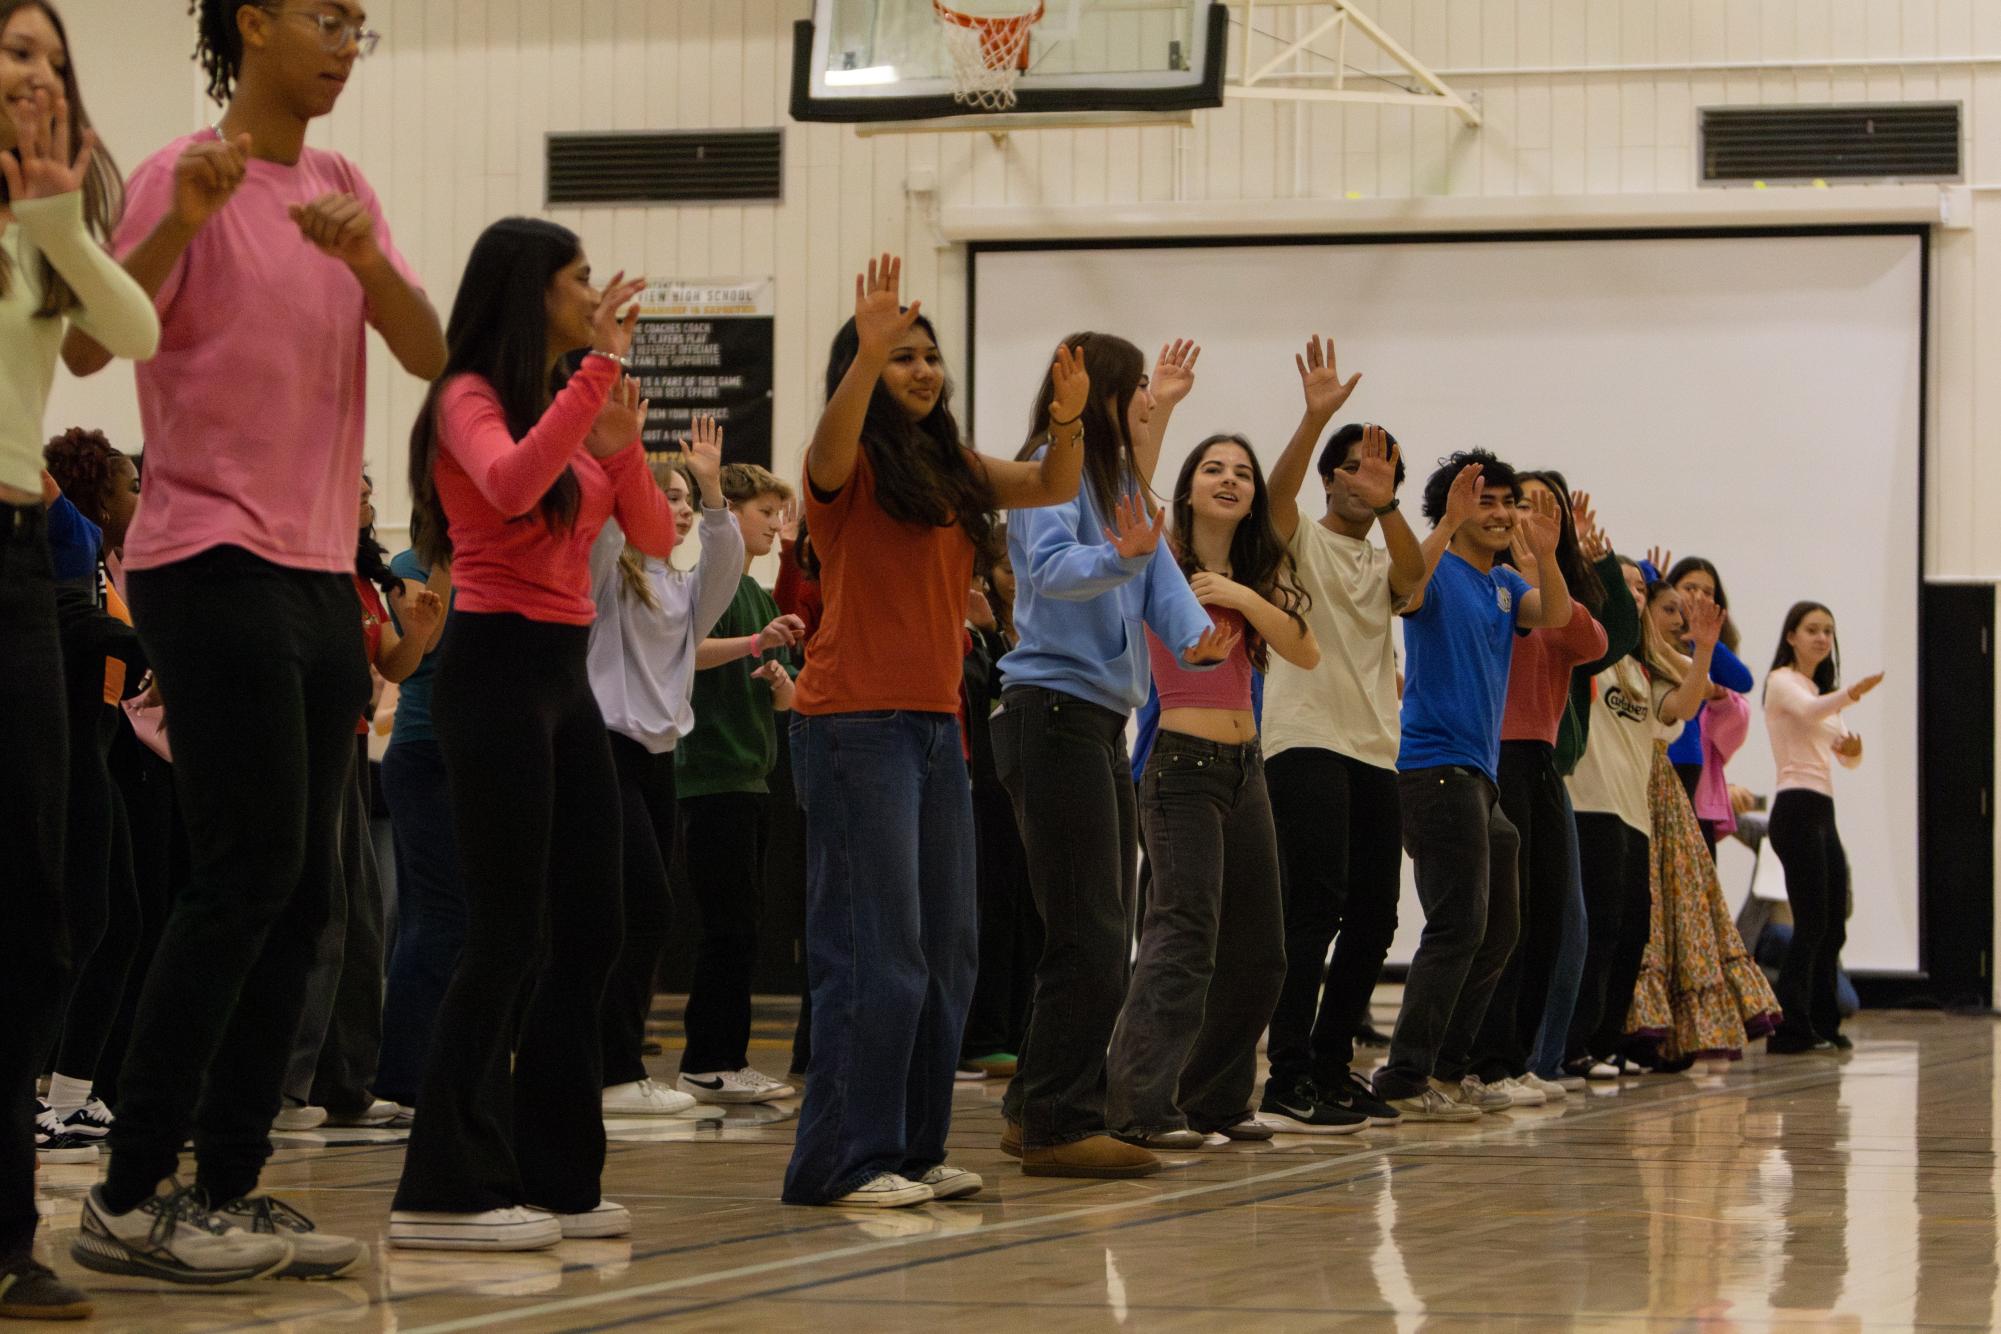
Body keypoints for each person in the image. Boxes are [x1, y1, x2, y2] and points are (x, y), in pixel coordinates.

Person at [68, 0, 443, 1285]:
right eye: (327, 18)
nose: (347, 42)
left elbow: (429, 349)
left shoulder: (343, 183)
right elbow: (84, 336)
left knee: (308, 891)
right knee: (244, 870)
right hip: (201, 552)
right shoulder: (183, 175)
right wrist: (181, 219)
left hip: (315, 566)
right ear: (256, 22)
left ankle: (224, 1184)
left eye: (359, 25)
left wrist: (373, 265)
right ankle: (125, 1193)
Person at [388, 218, 670, 1251]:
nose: (596, 292)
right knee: (504, 929)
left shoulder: (573, 404)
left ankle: (556, 1173)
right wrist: (596, 378)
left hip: (564, 678)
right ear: (531, 290)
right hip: (494, 669)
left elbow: (655, 534)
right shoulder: (467, 397)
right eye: (579, 278)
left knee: (592, 922)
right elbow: (507, 484)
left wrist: (622, 435)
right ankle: (443, 1181)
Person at [783, 254, 1085, 1209]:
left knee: (948, 952)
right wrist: (862, 361)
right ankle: (846, 1159)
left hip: (931, 729)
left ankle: (913, 1150)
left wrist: (1070, 415)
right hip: (851, 726)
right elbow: (827, 452)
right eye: (902, 356)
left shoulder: (950, 469)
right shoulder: (848, 461)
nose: (922, 370)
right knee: (880, 955)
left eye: (928, 357)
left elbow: (1048, 482)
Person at [0, 0, 158, 1312]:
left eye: (51, 55)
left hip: (17, 570)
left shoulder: (43, 230)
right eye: (11, 48)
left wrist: (56, 216)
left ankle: (8, 1228)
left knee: (40, 900)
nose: (32, 71)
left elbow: (129, 335)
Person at [991, 332, 1225, 1180]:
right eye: (1136, 393)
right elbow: (1049, 572)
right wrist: (1116, 555)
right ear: (1103, 393)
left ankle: (1032, 1111)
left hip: (1090, 720)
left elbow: (1157, 573)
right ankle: (1059, 1119)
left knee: (1095, 927)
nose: (1146, 405)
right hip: (1048, 711)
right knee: (1089, 930)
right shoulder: (1047, 471)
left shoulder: (1119, 480)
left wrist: (1195, 636)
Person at [1105, 432, 1325, 1144]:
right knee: (1182, 938)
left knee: (1262, 951)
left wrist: (1240, 596)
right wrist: (1160, 408)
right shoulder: (1163, 556)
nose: (1228, 480)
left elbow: (1304, 647)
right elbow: (1126, 487)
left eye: (1241, 472)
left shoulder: (1255, 573)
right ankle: (1140, 1108)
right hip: (1180, 767)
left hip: (1244, 769)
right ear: (1188, 486)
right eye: (1212, 469)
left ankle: (1219, 1100)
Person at [1370, 451, 1572, 1121]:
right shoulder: (1436, 571)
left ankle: (1446, 1070)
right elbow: (1403, 588)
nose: (1499, 513)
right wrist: (1446, 522)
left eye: (1505, 503)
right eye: (1483, 501)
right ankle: (1404, 1076)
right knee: (1458, 926)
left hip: (1479, 778)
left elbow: (1556, 617)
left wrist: (1544, 554)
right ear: (1453, 511)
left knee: (1496, 928)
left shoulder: (1505, 586)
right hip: (1432, 769)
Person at [1260, 337, 1426, 1133]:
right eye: (1357, 467)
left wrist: (1393, 503)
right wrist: (1312, 418)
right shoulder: (1301, 535)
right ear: (1332, 477)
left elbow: (1411, 581)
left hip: (1371, 746)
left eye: (1384, 470)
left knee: (1375, 914)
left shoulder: (1385, 548)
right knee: (1314, 904)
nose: (1371, 478)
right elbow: (1275, 497)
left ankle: (1330, 1065)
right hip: (1303, 736)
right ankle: (1284, 1072)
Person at [585, 435, 743, 1119]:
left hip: (657, 760)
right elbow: (598, 535)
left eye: (682, 501)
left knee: (646, 912)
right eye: (667, 497)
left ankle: (616, 1066)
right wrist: (617, 464)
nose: (676, 511)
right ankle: (610, 1068)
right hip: (603, 749)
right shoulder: (607, 575)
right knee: (636, 906)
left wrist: (712, 493)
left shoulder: (682, 586)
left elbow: (728, 564)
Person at [280, 475, 442, 1130]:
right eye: (357, 490)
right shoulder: (301, 578)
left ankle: (344, 1084)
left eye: (371, 491)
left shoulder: (366, 582)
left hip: (347, 750)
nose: (369, 500)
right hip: (306, 749)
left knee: (363, 918)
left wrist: (422, 633)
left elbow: (394, 668)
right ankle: (287, 1088)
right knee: (322, 911)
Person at [1466, 470, 1610, 1106]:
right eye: (1515, 503)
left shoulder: (1547, 591)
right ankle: (1484, 1060)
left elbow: (1593, 640)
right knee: (1506, 913)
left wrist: (1552, 562)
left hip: (1543, 759)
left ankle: (1515, 1056)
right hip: (1494, 754)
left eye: (1539, 507)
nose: (1523, 515)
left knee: (1549, 913)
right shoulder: (1490, 585)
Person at [672, 461, 808, 1106]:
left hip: (753, 779)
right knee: (727, 927)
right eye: (765, 513)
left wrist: (782, 683)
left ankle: (728, 1057)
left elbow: (787, 702)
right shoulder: (708, 582)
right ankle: (707, 1060)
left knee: (744, 926)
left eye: (781, 514)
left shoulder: (763, 595)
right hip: (709, 776)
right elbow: (684, 651)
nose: (776, 525)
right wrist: (756, 643)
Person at [1625, 585, 1781, 1067]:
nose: (1683, 613)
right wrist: (1641, 577)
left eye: (1693, 603)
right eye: (1672, 604)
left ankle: (1672, 1028)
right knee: (1645, 914)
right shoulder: (1632, 658)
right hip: (1639, 783)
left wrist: (1704, 643)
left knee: (1685, 912)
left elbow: (1733, 684)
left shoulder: (1674, 659)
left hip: (1678, 790)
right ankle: (1631, 1026)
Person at [1563, 558, 1674, 1078]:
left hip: (1635, 814)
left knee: (1632, 930)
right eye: (1625, 584)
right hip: (1592, 805)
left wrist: (1696, 645)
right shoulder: (1593, 652)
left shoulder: (1639, 668)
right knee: (1599, 927)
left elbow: (1684, 707)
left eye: (1640, 587)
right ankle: (1574, 1043)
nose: (1635, 593)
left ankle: (1605, 1040)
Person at [1762, 602, 1882, 1054]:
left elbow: (1847, 758)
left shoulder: (1819, 691)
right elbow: (1811, 713)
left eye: (1828, 631)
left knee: (1833, 924)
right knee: (1811, 922)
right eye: (1812, 629)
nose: (1822, 638)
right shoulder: (1782, 683)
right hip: (1794, 808)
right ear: (1791, 635)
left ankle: (1824, 1024)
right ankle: (1790, 1028)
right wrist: (1853, 692)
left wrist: (1854, 748)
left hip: (1822, 809)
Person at [374, 522, 455, 1117]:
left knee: (465, 917)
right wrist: (452, 559)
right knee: (434, 915)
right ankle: (402, 1077)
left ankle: (450, 1065)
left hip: (479, 755)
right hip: (424, 752)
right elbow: (429, 642)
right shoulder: (406, 564)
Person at [1662, 555, 1754, 854]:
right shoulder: (1653, 639)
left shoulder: (1706, 647)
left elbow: (1743, 681)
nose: (1699, 596)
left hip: (1691, 760)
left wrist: (1707, 640)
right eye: (1690, 587)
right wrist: (1653, 582)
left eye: (1707, 592)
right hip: (1656, 759)